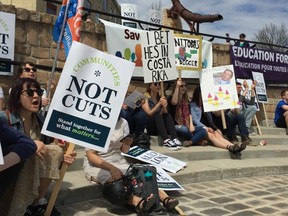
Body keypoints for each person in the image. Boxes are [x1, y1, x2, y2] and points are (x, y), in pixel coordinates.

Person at [0, 78, 76, 216]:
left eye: (39, 92)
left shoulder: (41, 120)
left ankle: (35, 203)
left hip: (30, 178)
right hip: (8, 176)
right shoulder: (3, 119)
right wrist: (29, 144)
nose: (36, 96)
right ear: (17, 97)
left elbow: (51, 148)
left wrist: (65, 158)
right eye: (30, 92)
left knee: (55, 151)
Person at [83, 117, 179, 215]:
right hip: (98, 163)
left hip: (118, 159)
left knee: (142, 175)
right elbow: (91, 155)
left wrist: (127, 144)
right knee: (115, 185)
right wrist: (111, 168)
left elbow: (124, 150)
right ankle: (138, 202)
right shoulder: (94, 122)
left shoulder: (123, 122)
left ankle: (164, 198)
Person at [190, 86, 246, 158]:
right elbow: (195, 120)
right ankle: (229, 147)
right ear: (199, 94)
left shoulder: (206, 106)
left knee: (217, 134)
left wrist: (216, 128)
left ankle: (235, 147)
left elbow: (209, 120)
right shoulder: (193, 105)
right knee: (212, 136)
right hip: (199, 128)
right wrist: (206, 128)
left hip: (208, 127)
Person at [141, 82, 182, 150]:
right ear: (150, 86)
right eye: (155, 84)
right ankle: (166, 140)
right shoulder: (145, 98)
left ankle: (174, 138)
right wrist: (159, 104)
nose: (158, 86)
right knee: (157, 115)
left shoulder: (160, 97)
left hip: (160, 125)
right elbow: (149, 113)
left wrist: (164, 106)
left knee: (167, 115)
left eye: (159, 84)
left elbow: (165, 113)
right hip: (151, 126)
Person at [169, 79, 208, 147]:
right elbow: (174, 102)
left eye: (185, 86)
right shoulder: (171, 98)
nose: (184, 87)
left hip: (187, 125)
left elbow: (189, 115)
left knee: (203, 130)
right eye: (181, 86)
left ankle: (190, 142)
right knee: (184, 129)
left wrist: (191, 125)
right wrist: (177, 87)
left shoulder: (186, 101)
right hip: (176, 125)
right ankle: (197, 142)